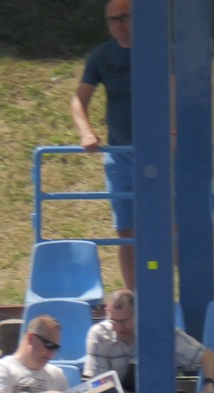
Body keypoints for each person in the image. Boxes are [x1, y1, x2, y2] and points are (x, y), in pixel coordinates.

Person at [82, 289, 214, 393]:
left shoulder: (160, 330)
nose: (120, 328)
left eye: (124, 321)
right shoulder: (98, 335)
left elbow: (209, 357)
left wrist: (209, 384)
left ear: (138, 314)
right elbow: (99, 388)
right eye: (114, 321)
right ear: (107, 313)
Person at [70, 0, 134, 290]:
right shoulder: (101, 55)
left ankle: (177, 297)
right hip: (120, 155)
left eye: (124, 17)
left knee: (170, 230)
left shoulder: (160, 51)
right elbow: (78, 100)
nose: (119, 25)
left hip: (159, 154)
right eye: (112, 20)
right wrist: (87, 133)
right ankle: (134, 301)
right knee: (126, 234)